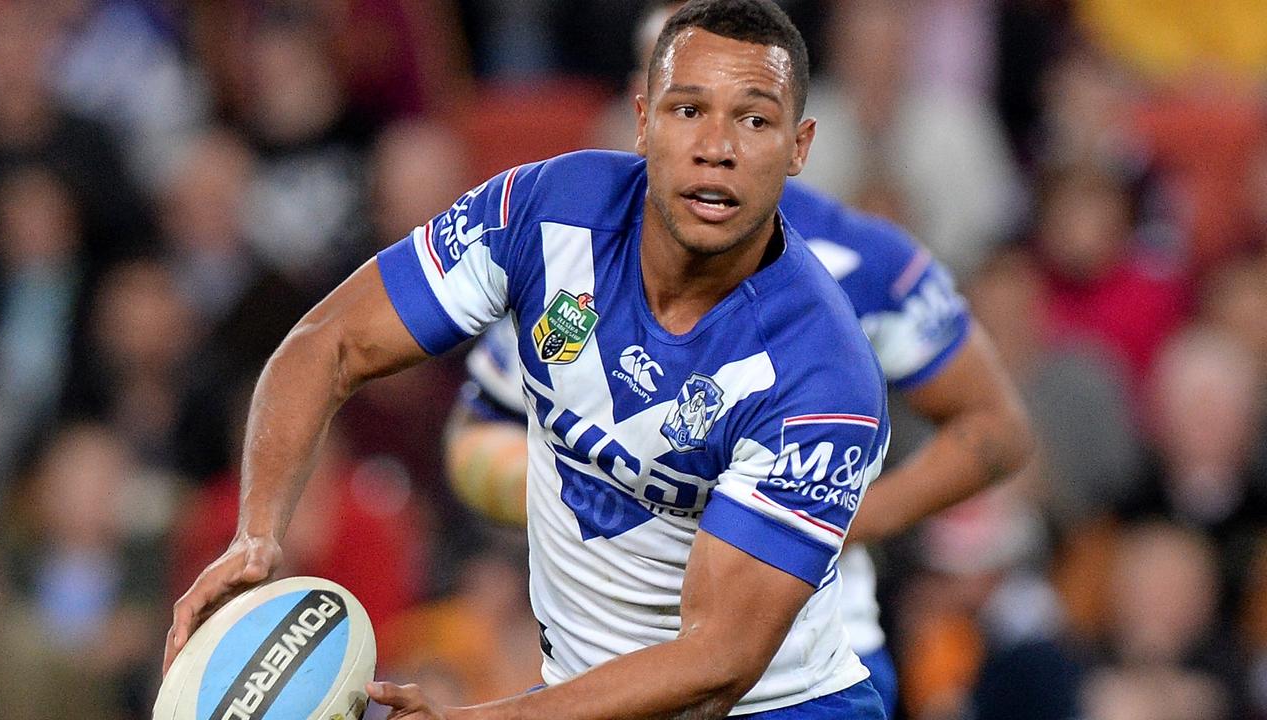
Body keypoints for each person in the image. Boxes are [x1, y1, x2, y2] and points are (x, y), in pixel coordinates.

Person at [167, 1, 893, 717]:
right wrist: (256, 537)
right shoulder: (543, 211)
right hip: (582, 698)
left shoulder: (823, 376)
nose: (717, 146)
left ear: (799, 148)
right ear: (642, 121)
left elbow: (714, 667)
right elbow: (327, 343)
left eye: (755, 119)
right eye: (688, 110)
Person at [447, 2, 1035, 717]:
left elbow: (998, 429)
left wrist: (857, 516)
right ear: (643, 99)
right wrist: (582, 484)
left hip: (807, 658)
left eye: (741, 104)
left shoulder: (865, 259)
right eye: (678, 90)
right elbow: (473, 437)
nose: (708, 127)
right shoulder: (566, 253)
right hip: (613, 660)